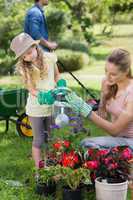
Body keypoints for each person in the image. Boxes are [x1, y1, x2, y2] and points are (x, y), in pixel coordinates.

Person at [65, 48, 133, 150]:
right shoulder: (108, 83)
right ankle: (115, 159)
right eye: (106, 71)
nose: (107, 77)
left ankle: (118, 160)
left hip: (130, 141)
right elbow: (103, 116)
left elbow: (114, 131)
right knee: (86, 146)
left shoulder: (130, 93)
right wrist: (104, 97)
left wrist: (87, 111)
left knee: (87, 144)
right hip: (118, 140)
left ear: (126, 71)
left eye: (113, 74)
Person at [10, 32, 60, 169]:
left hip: (51, 106)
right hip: (35, 109)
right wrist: (42, 96)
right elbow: (31, 89)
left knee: (50, 139)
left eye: (29, 52)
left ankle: (50, 167)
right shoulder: (26, 69)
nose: (28, 57)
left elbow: (56, 75)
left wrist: (60, 84)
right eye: (24, 56)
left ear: (35, 46)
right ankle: (40, 170)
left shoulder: (50, 58)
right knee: (39, 140)